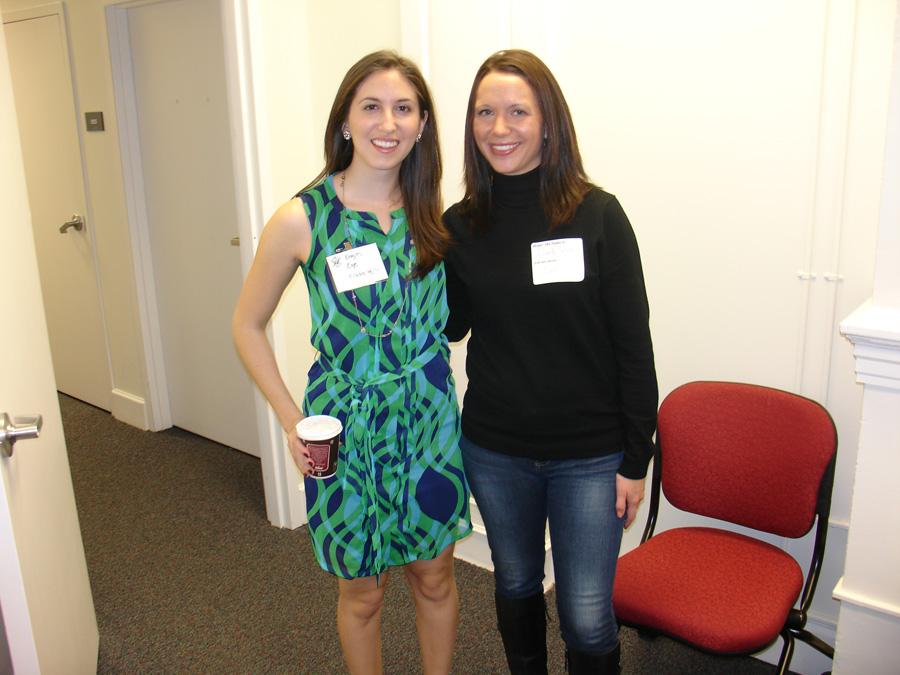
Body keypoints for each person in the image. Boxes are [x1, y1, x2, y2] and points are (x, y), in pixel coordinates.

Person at [232, 50, 472, 675]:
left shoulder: (431, 213)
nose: (386, 123)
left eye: (403, 109)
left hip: (427, 420)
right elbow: (246, 325)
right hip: (344, 425)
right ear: (345, 121)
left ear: (422, 125)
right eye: (371, 106)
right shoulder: (301, 219)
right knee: (361, 590)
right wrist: (291, 421)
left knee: (436, 574)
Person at [442, 49, 658, 674]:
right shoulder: (460, 225)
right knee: (513, 583)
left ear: (548, 122)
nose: (499, 128)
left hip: (591, 456)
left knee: (588, 613)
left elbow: (632, 345)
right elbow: (452, 325)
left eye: (517, 112)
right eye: (485, 113)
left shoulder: (597, 214)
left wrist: (635, 457)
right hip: (496, 446)